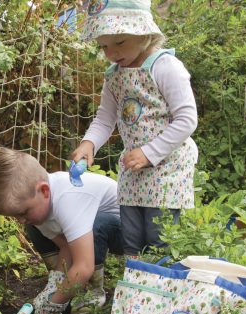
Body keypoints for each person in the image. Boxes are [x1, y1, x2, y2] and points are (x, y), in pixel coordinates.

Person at [72, 0, 199, 257]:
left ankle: (160, 289)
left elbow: (187, 119)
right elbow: (105, 119)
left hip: (167, 168)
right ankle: (135, 290)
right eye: (104, 46)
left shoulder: (165, 67)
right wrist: (89, 143)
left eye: (119, 42)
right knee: (131, 237)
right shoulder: (114, 76)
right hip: (133, 168)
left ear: (144, 33)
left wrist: (150, 153)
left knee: (159, 237)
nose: (111, 53)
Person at [0, 147, 123, 314]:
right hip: (91, 231)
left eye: (23, 212)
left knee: (95, 225)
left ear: (44, 191)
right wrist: (55, 284)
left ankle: (90, 293)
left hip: (125, 231)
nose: (20, 219)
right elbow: (66, 247)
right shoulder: (40, 203)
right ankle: (67, 286)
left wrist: (53, 304)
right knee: (33, 225)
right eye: (15, 216)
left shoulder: (68, 199)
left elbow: (84, 266)